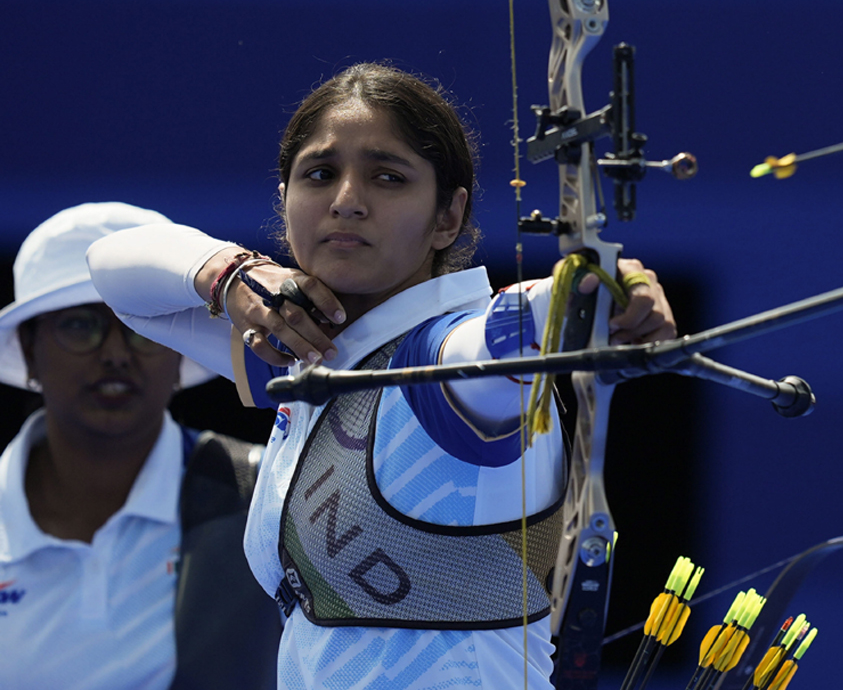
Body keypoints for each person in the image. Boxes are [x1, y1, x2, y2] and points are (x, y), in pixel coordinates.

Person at [87, 63, 677, 689]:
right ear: (285, 202)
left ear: (448, 218)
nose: (346, 199)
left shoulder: (446, 363)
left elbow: (513, 330)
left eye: (387, 177)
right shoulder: (309, 352)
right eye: (319, 174)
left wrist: (599, 292)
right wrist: (228, 274)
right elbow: (112, 271)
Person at [0, 202, 282, 689]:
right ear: (28, 349)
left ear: (181, 352)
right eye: (79, 325)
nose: (114, 354)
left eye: (139, 329)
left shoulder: (273, 497)